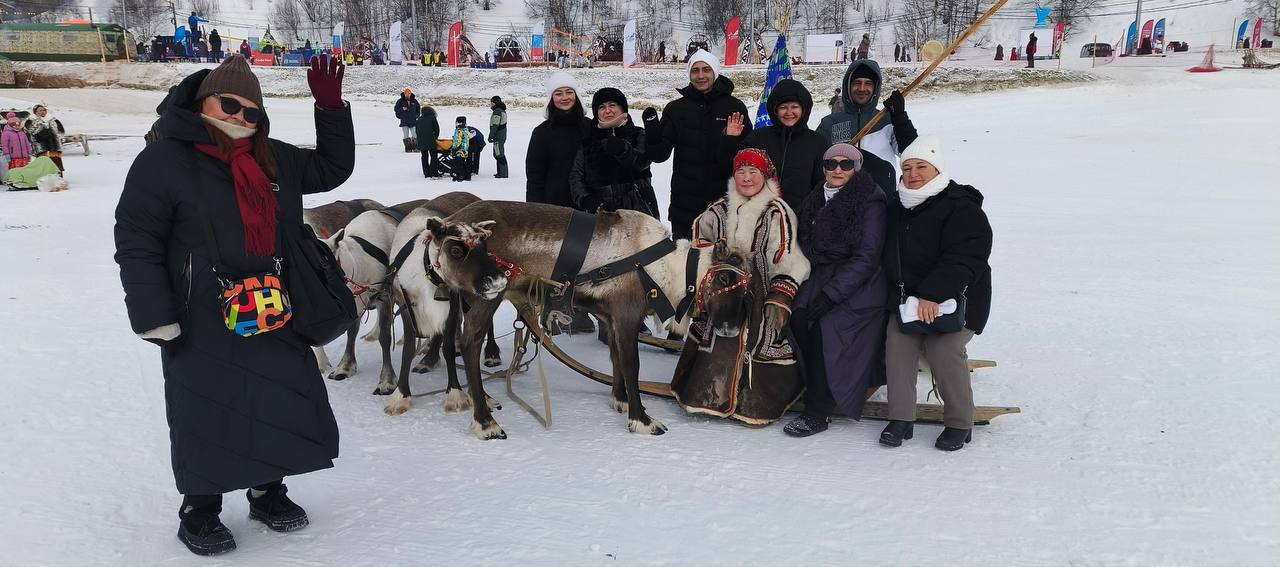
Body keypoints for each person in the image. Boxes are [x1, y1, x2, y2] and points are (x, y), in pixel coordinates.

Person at [112, 55, 353, 556]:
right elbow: (137, 240)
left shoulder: (273, 158)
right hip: (200, 313)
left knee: (278, 400)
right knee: (207, 408)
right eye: (231, 106)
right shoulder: (163, 160)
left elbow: (332, 168)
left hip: (274, 304)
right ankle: (200, 509)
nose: (243, 119)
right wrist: (154, 314)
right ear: (203, 102)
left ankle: (269, 494)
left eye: (254, 113)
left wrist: (330, 109)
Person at [670, 149, 811, 425]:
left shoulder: (777, 212)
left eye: (753, 172)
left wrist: (781, 294)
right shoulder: (719, 209)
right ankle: (707, 396)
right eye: (740, 172)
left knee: (758, 339)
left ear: (765, 176)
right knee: (714, 337)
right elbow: (699, 239)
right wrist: (713, 257)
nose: (746, 178)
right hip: (722, 292)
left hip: (760, 293)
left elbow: (790, 258)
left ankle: (753, 403)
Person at [879, 137, 992, 451]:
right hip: (908, 301)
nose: (913, 173)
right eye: (907, 167)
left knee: (943, 349)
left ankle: (959, 422)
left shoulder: (960, 206)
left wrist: (932, 295)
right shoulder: (895, 207)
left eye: (921, 167)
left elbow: (966, 256)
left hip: (960, 299)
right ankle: (900, 419)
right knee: (898, 344)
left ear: (937, 169)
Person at [782, 143, 887, 437]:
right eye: (831, 164)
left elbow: (866, 257)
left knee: (825, 329)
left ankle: (819, 410)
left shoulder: (870, 201)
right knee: (797, 319)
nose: (838, 169)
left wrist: (831, 295)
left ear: (857, 167)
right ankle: (810, 386)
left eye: (846, 164)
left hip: (859, 285)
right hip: (821, 276)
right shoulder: (816, 196)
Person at [643, 49, 751, 239]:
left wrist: (730, 139)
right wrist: (652, 132)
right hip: (684, 206)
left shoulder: (734, 108)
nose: (701, 75)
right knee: (684, 264)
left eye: (706, 70)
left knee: (722, 263)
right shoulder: (676, 109)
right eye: (695, 70)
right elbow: (660, 155)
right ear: (689, 74)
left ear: (715, 72)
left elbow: (746, 157)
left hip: (724, 203)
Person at [816, 59, 918, 197]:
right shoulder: (830, 123)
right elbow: (817, 165)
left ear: (875, 88)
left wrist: (900, 118)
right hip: (839, 203)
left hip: (881, 200)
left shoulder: (886, 120)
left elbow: (911, 153)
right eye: (857, 83)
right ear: (848, 85)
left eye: (868, 83)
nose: (862, 88)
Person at [568, 87, 657, 217]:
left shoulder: (638, 134)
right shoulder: (588, 142)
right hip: (604, 216)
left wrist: (623, 149)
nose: (607, 111)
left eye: (612, 105)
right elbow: (576, 176)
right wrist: (587, 200)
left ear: (622, 108)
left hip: (640, 212)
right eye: (601, 107)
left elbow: (642, 163)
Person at [742, 79, 827, 212]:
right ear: (775, 111)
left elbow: (821, 184)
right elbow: (741, 175)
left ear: (803, 110)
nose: (789, 112)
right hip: (759, 216)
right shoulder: (756, 139)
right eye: (783, 107)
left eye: (794, 107)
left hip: (800, 218)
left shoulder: (817, 142)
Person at [24, 104, 66, 172]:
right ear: (35, 112)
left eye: (44, 110)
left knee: (56, 164)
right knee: (43, 164)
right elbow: (29, 131)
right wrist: (39, 122)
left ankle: (59, 179)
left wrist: (56, 136)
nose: (43, 112)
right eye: (40, 110)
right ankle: (44, 180)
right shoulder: (30, 121)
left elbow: (61, 132)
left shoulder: (53, 119)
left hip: (54, 146)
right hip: (40, 147)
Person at [416, 105, 441, 177]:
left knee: (424, 157)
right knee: (433, 156)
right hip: (431, 141)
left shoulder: (418, 119)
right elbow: (437, 130)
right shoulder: (432, 118)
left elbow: (416, 131)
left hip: (421, 141)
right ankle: (433, 173)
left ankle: (426, 173)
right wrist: (434, 138)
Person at [394, 87, 420, 153]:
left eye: (409, 94)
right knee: (406, 135)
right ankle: (408, 148)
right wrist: (402, 109)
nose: (407, 95)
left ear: (411, 94)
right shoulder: (400, 101)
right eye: (406, 94)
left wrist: (416, 116)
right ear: (404, 94)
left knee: (415, 135)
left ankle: (416, 148)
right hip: (404, 121)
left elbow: (418, 110)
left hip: (413, 121)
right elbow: (396, 109)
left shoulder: (415, 101)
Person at [489, 96, 509, 178]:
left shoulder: (497, 111)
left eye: (492, 102)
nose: (491, 104)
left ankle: (503, 173)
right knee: (497, 154)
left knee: (499, 154)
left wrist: (491, 135)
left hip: (498, 136)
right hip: (501, 135)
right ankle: (500, 172)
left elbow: (495, 125)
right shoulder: (502, 110)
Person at [450, 116, 471, 181]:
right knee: (463, 163)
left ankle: (459, 177)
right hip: (464, 150)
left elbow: (457, 141)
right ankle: (467, 176)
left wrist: (454, 149)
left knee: (458, 165)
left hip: (459, 151)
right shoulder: (466, 129)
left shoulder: (459, 130)